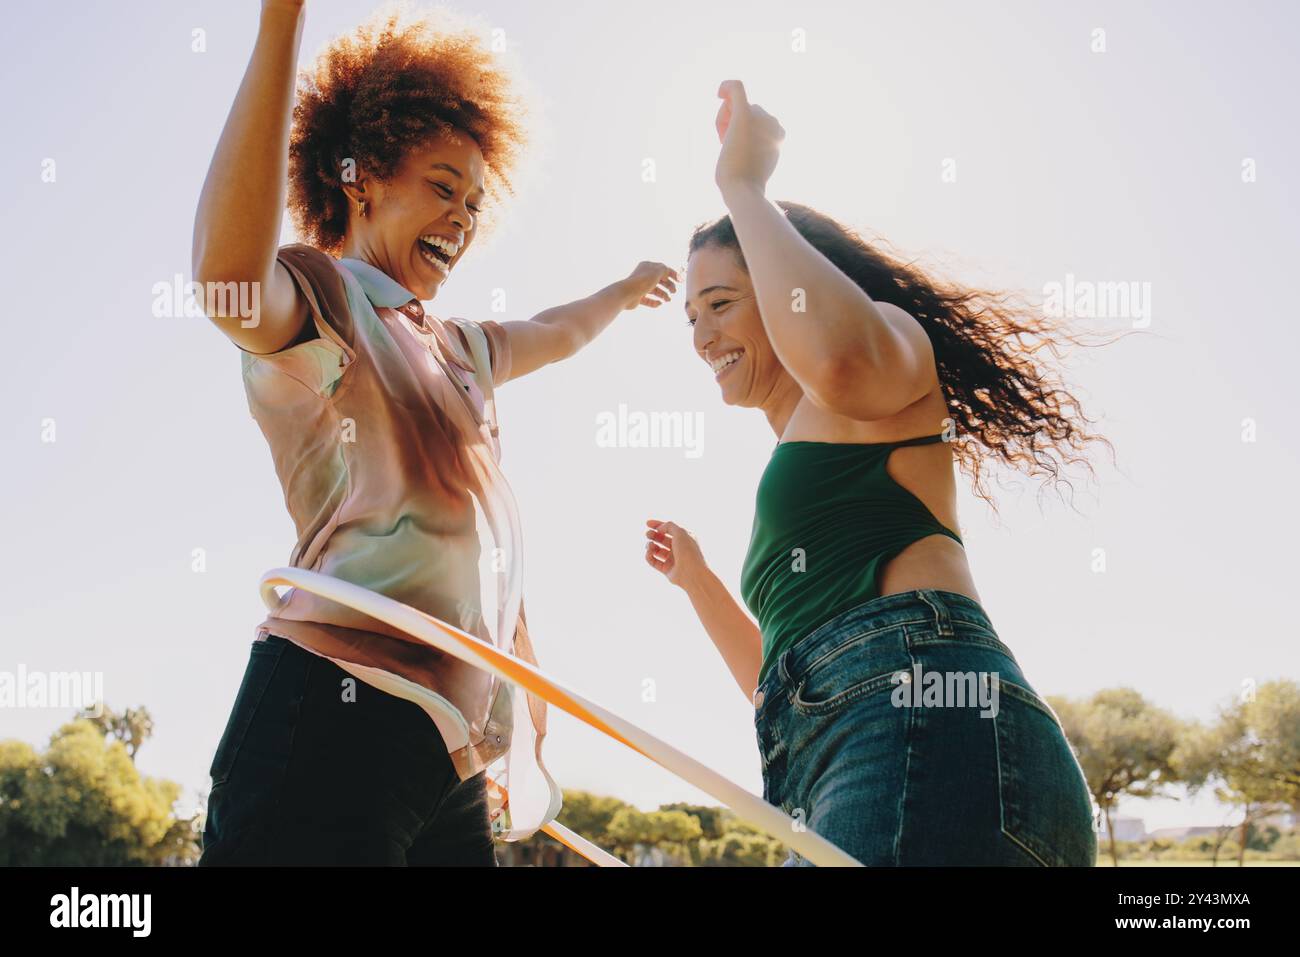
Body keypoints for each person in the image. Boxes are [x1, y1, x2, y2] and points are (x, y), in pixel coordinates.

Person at [195, 0, 676, 865]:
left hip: (450, 759)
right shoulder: (325, 302)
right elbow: (227, 279)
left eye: (475, 203)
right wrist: (279, 26)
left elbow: (555, 330)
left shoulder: (459, 351)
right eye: (442, 186)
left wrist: (623, 288)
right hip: (335, 705)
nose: (461, 218)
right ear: (361, 178)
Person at [644, 80, 1106, 866]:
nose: (700, 334)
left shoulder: (888, 358)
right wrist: (700, 583)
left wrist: (742, 187)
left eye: (720, 302)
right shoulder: (804, 455)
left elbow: (839, 356)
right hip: (850, 753)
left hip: (920, 728)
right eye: (690, 316)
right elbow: (785, 685)